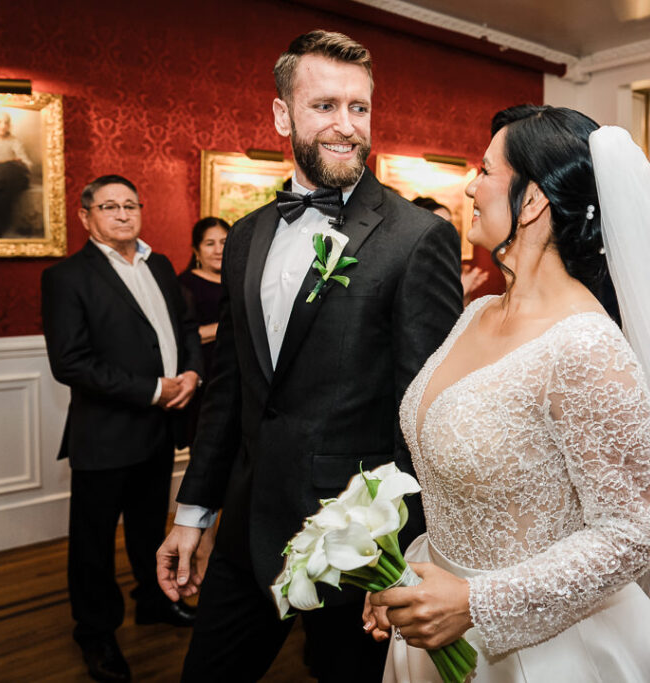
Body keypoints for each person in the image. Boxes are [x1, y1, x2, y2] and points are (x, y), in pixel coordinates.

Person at [364, 106, 650, 682]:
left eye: (487, 170)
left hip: (546, 651)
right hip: (435, 614)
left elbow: (636, 530)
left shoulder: (586, 345)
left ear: (534, 200)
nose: (471, 186)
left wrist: (477, 602)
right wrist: (406, 580)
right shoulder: (473, 315)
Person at [156, 30, 462, 682]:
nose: (346, 126)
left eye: (360, 107)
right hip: (245, 528)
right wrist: (193, 511)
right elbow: (230, 388)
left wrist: (405, 555)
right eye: (325, 105)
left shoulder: (417, 239)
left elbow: (429, 416)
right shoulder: (245, 236)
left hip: (358, 547)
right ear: (281, 115)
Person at [41, 174, 203, 683]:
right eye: (109, 206)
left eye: (130, 204)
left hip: (157, 431)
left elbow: (184, 327)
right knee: (92, 544)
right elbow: (71, 363)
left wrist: (194, 372)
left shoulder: (158, 263)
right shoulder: (67, 277)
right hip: (105, 434)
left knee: (146, 528)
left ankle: (153, 600)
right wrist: (154, 389)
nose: (123, 214)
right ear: (87, 216)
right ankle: (95, 632)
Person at [177, 216, 229, 443]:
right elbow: (181, 336)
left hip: (236, 375)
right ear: (196, 251)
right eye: (210, 244)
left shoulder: (239, 280)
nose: (218, 250)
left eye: (224, 242)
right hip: (203, 378)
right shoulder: (184, 284)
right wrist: (228, 329)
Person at [412, 195, 489, 303]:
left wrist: (465, 293)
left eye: (450, 223)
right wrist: (460, 291)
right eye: (439, 226)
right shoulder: (412, 271)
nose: (449, 231)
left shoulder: (449, 267)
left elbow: (461, 318)